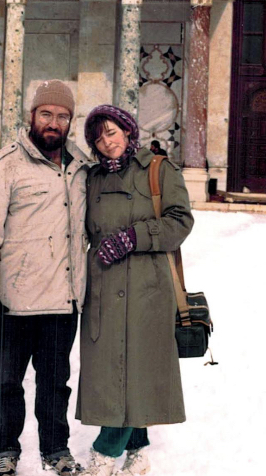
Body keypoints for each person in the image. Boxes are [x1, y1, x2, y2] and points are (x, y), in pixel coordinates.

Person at [0, 80, 93, 476]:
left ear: (71, 121)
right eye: (46, 114)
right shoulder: (5, 166)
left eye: (62, 116)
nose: (54, 122)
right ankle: (4, 450)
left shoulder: (81, 169)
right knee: (8, 384)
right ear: (31, 116)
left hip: (61, 299)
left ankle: (56, 450)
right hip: (11, 300)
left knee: (56, 384)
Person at [76, 105, 194, 476]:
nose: (106, 142)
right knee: (117, 372)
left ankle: (104, 452)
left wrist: (133, 237)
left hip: (147, 290)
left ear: (128, 131)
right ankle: (137, 451)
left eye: (112, 132)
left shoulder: (159, 170)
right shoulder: (92, 178)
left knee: (133, 370)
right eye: (98, 137)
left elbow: (181, 221)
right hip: (104, 289)